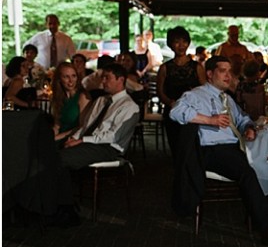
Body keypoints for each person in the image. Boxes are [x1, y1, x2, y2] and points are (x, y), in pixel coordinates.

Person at [169, 56, 268, 245]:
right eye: (223, 71)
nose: (228, 76)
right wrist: (208, 120)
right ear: (210, 74)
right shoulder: (196, 95)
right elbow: (175, 112)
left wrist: (249, 128)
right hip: (211, 150)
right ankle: (265, 226)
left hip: (232, 148)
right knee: (246, 172)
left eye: (230, 71)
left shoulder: (227, 99)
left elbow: (243, 118)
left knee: (267, 162)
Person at [55, 63, 140, 226]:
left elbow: (113, 136)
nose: (103, 82)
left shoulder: (129, 106)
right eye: (102, 78)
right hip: (89, 141)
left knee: (60, 160)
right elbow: (87, 125)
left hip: (109, 148)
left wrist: (82, 140)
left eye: (107, 78)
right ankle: (55, 203)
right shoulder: (101, 100)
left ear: (120, 80)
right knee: (50, 153)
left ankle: (66, 210)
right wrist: (74, 138)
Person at [156, 26, 206, 157]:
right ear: (170, 45)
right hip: (172, 111)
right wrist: (171, 103)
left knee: (192, 147)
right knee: (176, 146)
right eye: (177, 42)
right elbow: (160, 91)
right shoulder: (165, 68)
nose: (181, 45)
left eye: (184, 41)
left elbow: (205, 90)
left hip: (194, 112)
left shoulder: (197, 67)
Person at [51, 61, 90, 142]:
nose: (71, 80)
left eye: (73, 76)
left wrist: (57, 137)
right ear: (59, 79)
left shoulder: (83, 97)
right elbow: (57, 125)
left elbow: (82, 127)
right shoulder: (59, 97)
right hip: (59, 137)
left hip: (73, 139)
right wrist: (50, 135)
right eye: (66, 77)